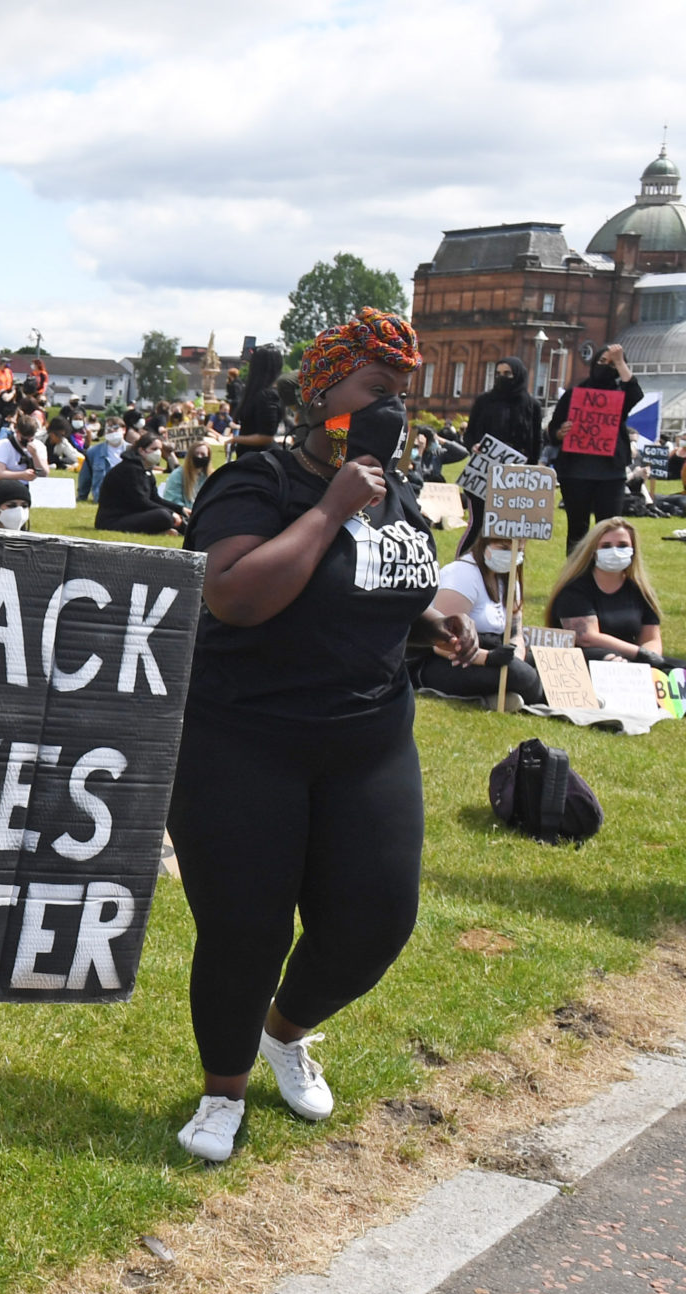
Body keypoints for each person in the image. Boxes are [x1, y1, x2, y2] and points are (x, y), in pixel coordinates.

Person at [168, 309, 474, 1164]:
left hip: (368, 741)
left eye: (403, 395)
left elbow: (381, 594)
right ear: (325, 392)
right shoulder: (252, 485)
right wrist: (334, 508)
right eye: (379, 389)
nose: (395, 410)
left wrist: (436, 625)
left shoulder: (399, 498)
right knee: (246, 927)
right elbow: (235, 596)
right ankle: (222, 1089)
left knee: (376, 919)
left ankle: (284, 1031)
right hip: (244, 741)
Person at [417, 513, 546, 706]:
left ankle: (501, 696)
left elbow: (515, 632)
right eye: (503, 548)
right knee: (524, 676)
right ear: (485, 543)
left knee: (544, 662)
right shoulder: (462, 575)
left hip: (495, 651)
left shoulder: (509, 581)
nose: (510, 556)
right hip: (453, 660)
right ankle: (523, 695)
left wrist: (517, 655)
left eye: (518, 551)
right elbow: (441, 643)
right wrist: (488, 659)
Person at [545, 344, 643, 553]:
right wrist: (560, 432)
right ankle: (576, 576)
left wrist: (620, 361)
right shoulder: (574, 394)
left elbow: (635, 392)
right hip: (575, 473)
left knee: (609, 529)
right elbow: (553, 429)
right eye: (602, 361)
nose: (606, 366)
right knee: (577, 529)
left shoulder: (620, 396)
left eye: (612, 363)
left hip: (610, 474)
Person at [549, 518, 670, 667]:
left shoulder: (640, 591)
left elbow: (651, 638)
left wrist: (650, 658)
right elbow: (587, 637)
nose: (614, 551)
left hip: (631, 660)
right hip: (586, 661)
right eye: (606, 546)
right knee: (611, 659)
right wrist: (639, 653)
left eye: (622, 545)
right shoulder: (575, 590)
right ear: (593, 552)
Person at [93, 432, 186, 536]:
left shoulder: (146, 470)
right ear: (141, 450)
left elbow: (155, 498)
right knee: (164, 516)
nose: (158, 453)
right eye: (154, 449)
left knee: (178, 516)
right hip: (114, 520)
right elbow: (140, 502)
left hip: (133, 514)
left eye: (160, 449)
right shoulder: (129, 470)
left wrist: (180, 509)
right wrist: (171, 513)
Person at [77, 418, 125, 501]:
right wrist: (81, 497)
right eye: (109, 429)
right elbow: (85, 479)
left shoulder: (133, 451)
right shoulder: (93, 452)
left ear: (124, 429)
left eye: (116, 428)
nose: (112, 431)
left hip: (128, 498)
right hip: (102, 498)